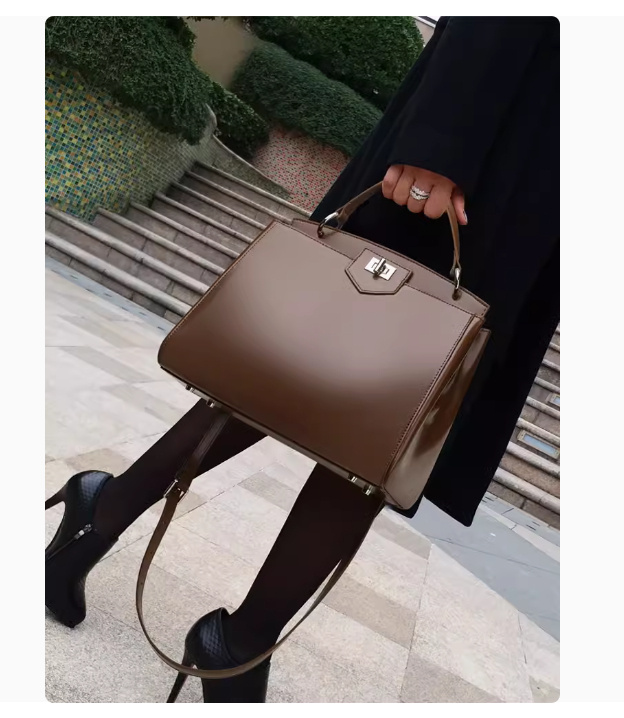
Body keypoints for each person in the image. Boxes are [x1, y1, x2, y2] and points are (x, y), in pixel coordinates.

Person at [45, 16, 560, 703]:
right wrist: (442, 140)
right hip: (496, 148)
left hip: (552, 190)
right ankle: (211, 621)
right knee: (315, 370)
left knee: (398, 420)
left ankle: (144, 547)